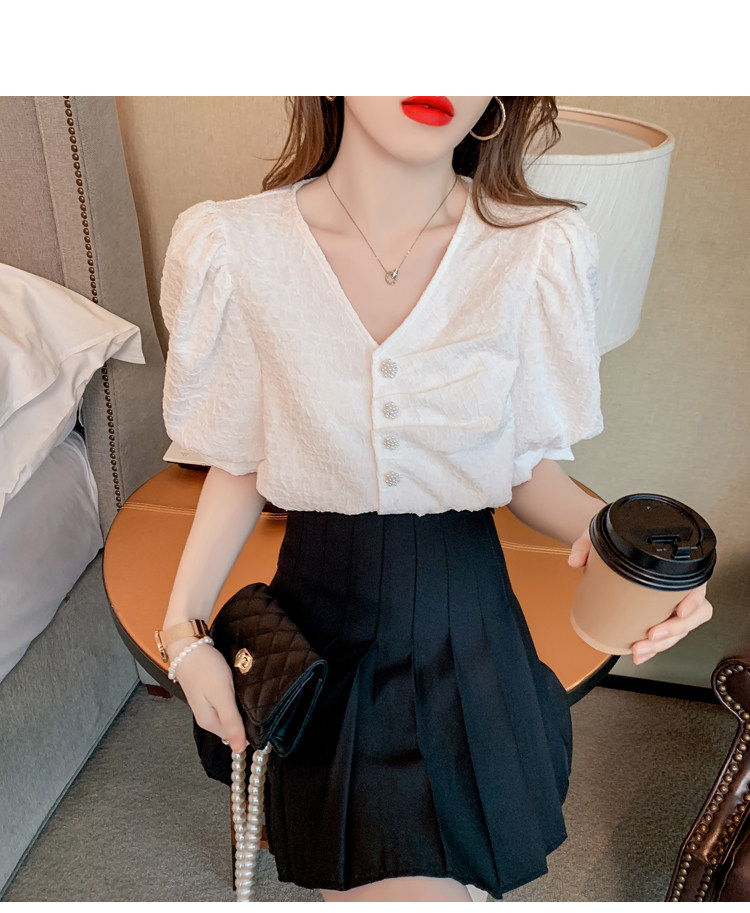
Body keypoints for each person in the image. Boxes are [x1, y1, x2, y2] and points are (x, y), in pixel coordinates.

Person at [155, 97, 713, 902]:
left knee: (464, 877)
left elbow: (522, 469)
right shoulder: (234, 248)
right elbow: (240, 461)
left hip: (471, 634)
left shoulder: (535, 250)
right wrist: (182, 628)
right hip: (324, 634)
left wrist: (637, 553)